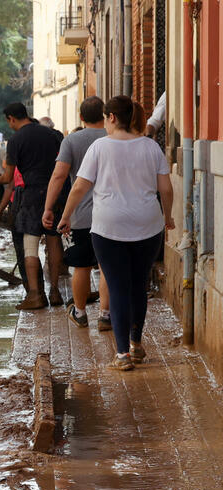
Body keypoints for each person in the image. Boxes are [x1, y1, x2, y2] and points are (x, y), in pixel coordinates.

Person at [57, 95, 174, 371]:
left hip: (109, 228)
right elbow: (166, 189)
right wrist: (167, 217)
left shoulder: (100, 147)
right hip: (148, 226)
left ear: (111, 117)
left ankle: (121, 355)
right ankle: (135, 345)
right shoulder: (150, 147)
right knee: (138, 285)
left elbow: (79, 187)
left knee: (118, 285)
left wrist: (66, 216)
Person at [42, 96, 110, 330]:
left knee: (81, 266)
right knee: (106, 266)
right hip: (110, 214)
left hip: (80, 216)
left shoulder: (72, 140)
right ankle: (105, 315)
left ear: (81, 117)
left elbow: (59, 176)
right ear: (104, 115)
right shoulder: (113, 138)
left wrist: (49, 208)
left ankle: (80, 313)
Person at [0, 102, 66, 309]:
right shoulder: (51, 135)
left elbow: (9, 177)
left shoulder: (16, 140)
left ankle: (35, 295)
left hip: (32, 196)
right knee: (53, 242)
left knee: (30, 246)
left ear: (11, 119)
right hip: (54, 191)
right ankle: (55, 292)